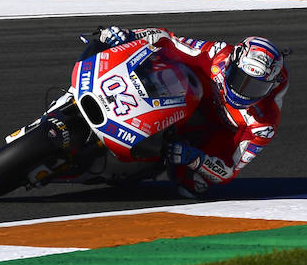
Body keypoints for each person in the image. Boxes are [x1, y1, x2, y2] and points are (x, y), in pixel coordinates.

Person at [99, 25, 289, 198]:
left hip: (215, 133)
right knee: (156, 60)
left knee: (193, 184)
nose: (243, 92)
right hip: (186, 94)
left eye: (255, 88)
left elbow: (229, 170)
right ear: (232, 63)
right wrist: (130, 35)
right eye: (240, 79)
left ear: (271, 86)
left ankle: (152, 160)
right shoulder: (217, 54)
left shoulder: (264, 123)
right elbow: (168, 39)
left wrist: (194, 158)